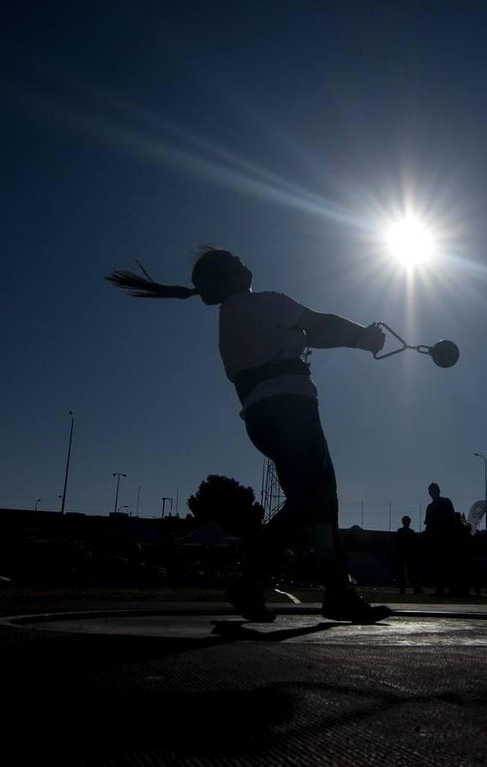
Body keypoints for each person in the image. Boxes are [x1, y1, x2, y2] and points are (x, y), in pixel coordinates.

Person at [106, 247, 392, 623]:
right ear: (228, 278)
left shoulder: (235, 316)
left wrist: (356, 339)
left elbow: (309, 333)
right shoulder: (262, 303)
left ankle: (335, 592)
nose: (245, 263)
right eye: (237, 262)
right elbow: (316, 324)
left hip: (265, 416)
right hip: (290, 409)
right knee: (313, 499)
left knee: (320, 502)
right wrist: (364, 337)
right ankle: (253, 581)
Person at [423, 482, 457, 596]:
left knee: (447, 563)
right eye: (430, 492)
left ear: (438, 491)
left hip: (445, 537)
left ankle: (451, 587)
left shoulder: (445, 502)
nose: (431, 493)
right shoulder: (430, 507)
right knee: (437, 564)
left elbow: (452, 518)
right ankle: (440, 587)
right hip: (435, 539)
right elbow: (427, 523)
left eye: (433, 491)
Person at [395, 515, 422, 595]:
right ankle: (413, 588)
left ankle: (405, 588)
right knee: (409, 571)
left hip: (405, 553)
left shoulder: (401, 531)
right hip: (407, 553)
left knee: (406, 572)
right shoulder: (410, 532)